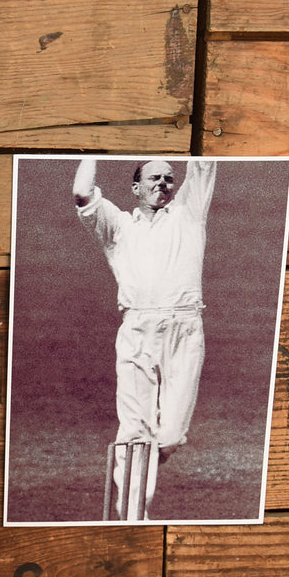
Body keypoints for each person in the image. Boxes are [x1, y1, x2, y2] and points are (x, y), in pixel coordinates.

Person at [73, 157, 216, 518]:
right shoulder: (118, 226)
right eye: (154, 178)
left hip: (185, 331)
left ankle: (148, 461)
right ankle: (132, 517)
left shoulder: (189, 212)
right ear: (136, 188)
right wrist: (92, 152)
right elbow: (81, 193)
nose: (164, 183)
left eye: (170, 178)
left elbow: (205, 162)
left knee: (167, 436)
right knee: (135, 431)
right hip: (137, 330)